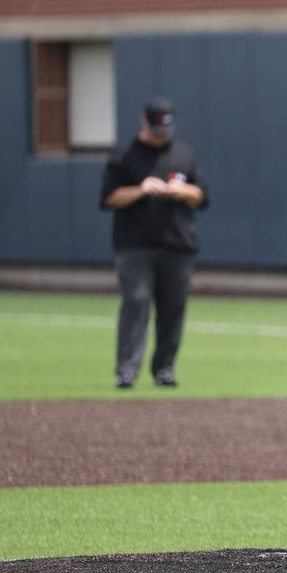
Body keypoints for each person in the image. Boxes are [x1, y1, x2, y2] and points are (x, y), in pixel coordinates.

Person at [100, 96, 209, 389]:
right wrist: (141, 189)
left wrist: (183, 191)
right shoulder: (124, 155)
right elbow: (109, 197)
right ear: (144, 123)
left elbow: (202, 195)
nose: (162, 135)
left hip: (177, 244)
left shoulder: (184, 154)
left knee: (172, 309)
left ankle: (164, 369)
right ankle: (127, 371)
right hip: (135, 245)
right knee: (136, 302)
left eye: (166, 130)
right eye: (157, 129)